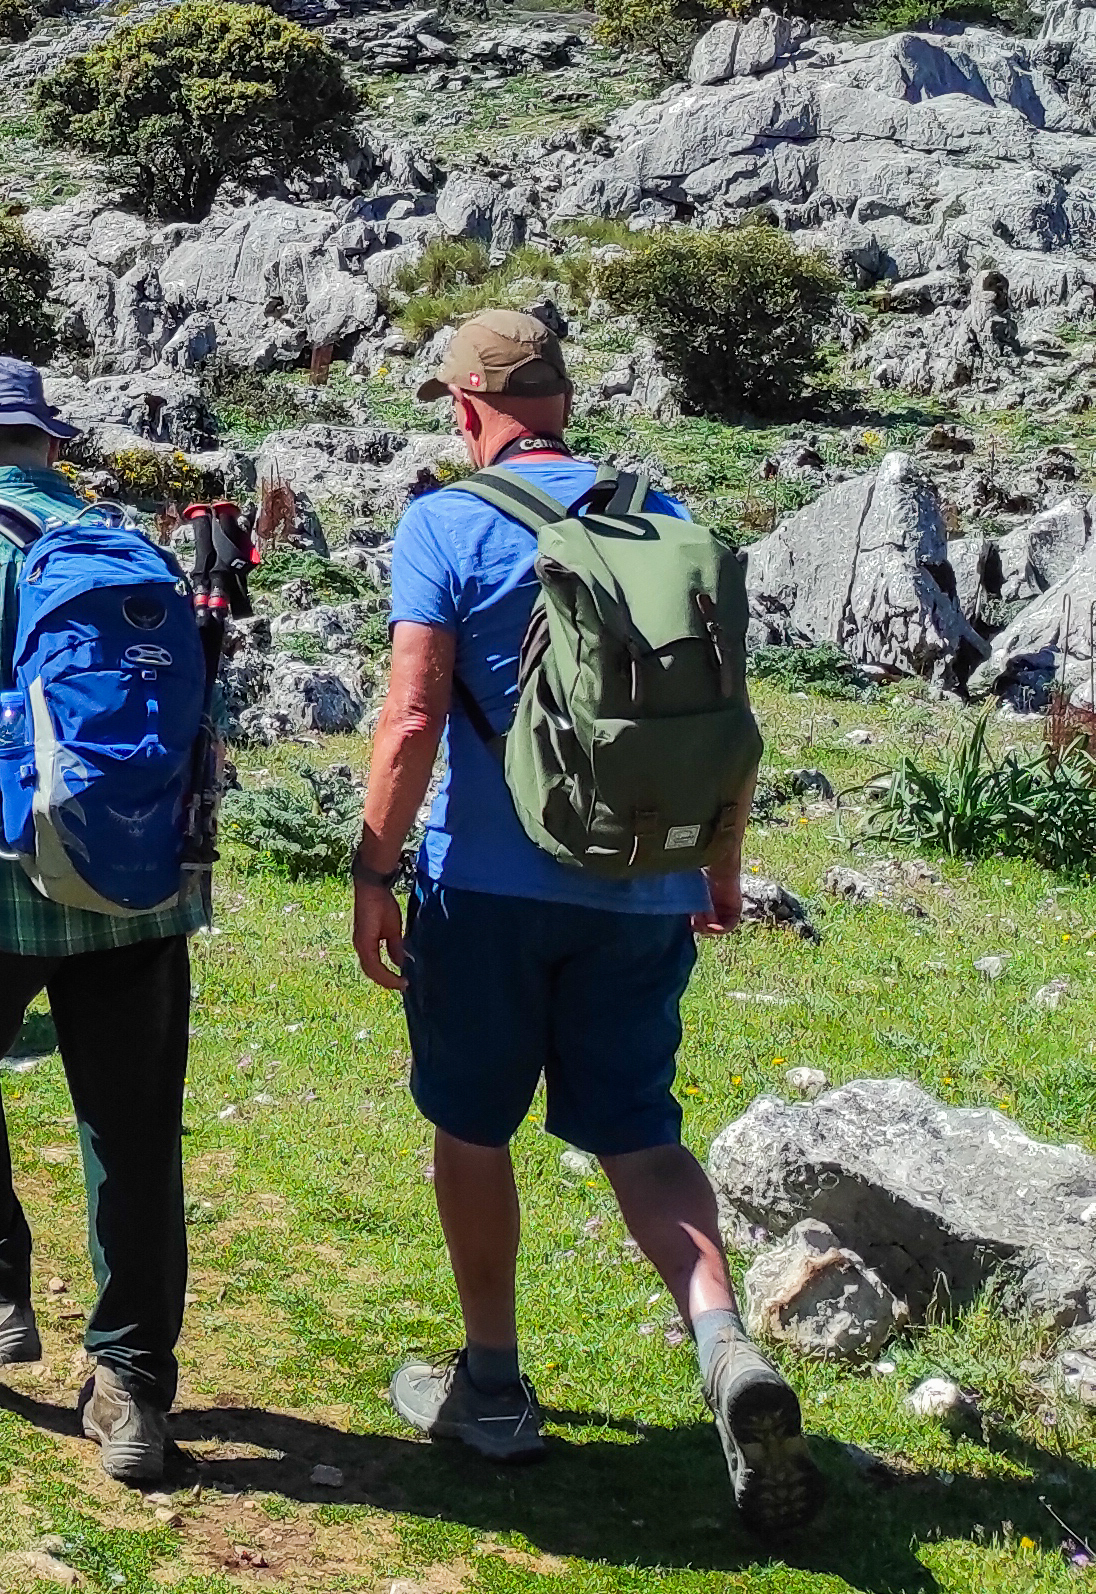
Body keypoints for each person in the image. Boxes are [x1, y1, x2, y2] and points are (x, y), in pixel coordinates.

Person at [351, 310, 820, 1537]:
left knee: (471, 1125)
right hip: (644, 885)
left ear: (466, 408)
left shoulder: (447, 522)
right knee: (642, 1138)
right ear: (558, 398)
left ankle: (493, 1390)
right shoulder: (661, 521)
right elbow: (727, 717)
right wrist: (719, 864)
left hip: (490, 891)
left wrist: (370, 868)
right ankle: (723, 1349)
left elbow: (410, 717)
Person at [0, 354, 195, 1489]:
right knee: (132, 1131)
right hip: (135, 888)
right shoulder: (136, 548)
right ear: (48, 445)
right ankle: (134, 1391)